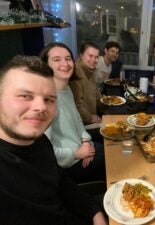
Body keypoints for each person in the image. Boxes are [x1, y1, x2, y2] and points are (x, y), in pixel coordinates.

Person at [0, 55, 107, 225]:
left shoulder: (40, 141)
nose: (41, 107)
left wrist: (94, 211)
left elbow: (62, 182)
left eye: (49, 99)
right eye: (25, 96)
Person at [40, 42, 106, 184]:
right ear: (46, 65)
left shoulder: (67, 89)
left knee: (110, 148)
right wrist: (77, 153)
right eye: (57, 59)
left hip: (81, 148)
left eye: (68, 58)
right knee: (112, 159)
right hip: (67, 165)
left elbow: (77, 122)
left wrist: (86, 141)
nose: (65, 63)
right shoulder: (45, 100)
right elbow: (45, 151)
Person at [69, 41, 102, 125]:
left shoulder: (89, 71)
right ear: (81, 55)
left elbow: (97, 96)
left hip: (92, 117)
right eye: (90, 56)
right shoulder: (75, 72)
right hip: (83, 124)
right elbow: (76, 106)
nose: (94, 60)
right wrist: (91, 118)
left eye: (96, 57)